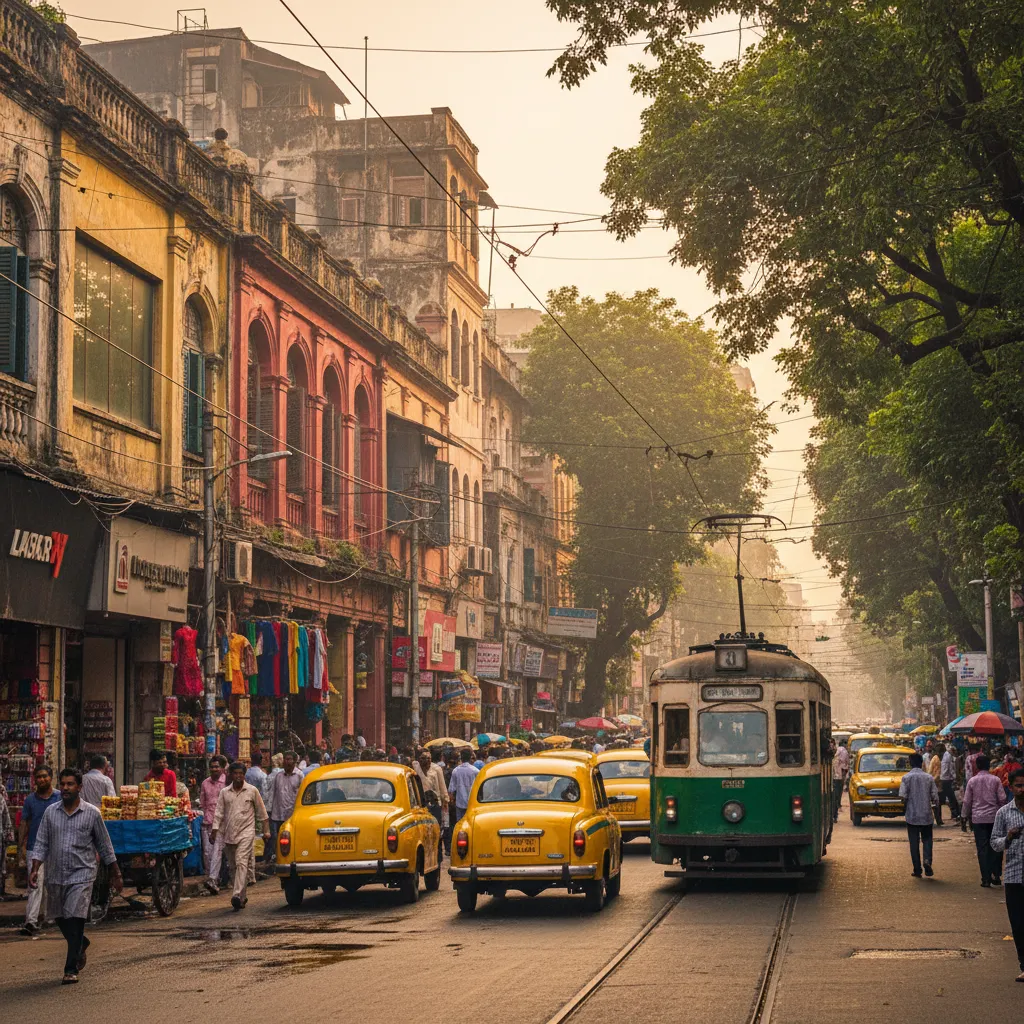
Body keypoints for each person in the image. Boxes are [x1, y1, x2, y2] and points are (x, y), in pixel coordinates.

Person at [29, 767, 122, 985]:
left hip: (82, 873)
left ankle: (70, 969)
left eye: (70, 784)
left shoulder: (92, 813)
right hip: (55, 873)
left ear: (79, 787)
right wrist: (34, 868)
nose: (65, 788)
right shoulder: (50, 813)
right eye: (62, 784)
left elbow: (104, 845)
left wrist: (115, 872)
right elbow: (41, 842)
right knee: (59, 916)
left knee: (75, 916)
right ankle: (81, 942)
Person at [210, 762, 269, 911]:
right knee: (233, 866)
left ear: (244, 775)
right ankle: (242, 897)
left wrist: (266, 831)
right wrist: (214, 830)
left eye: (241, 774)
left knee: (241, 861)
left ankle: (236, 894)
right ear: (231, 775)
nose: (238, 776)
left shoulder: (252, 790)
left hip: (246, 832)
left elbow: (262, 812)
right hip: (229, 833)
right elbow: (219, 813)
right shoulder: (224, 792)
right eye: (235, 773)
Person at [990, 767, 1024, 982]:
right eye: (1018, 785)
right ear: (1010, 787)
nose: (1022, 789)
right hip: (1014, 876)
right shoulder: (1003, 813)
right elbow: (994, 843)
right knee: (1019, 924)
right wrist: (1008, 838)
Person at [19, 765, 62, 936]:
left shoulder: (60, 797)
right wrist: (20, 846)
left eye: (44, 776)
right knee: (35, 885)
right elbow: (24, 823)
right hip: (35, 847)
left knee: (53, 884)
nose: (42, 779)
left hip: (56, 847)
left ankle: (49, 917)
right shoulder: (30, 800)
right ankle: (31, 921)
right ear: (34, 780)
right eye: (38, 777)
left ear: (51, 777)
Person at [962, 754, 1009, 887]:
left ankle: (986, 878)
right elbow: (1002, 799)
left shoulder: (972, 781)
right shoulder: (995, 780)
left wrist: (964, 817)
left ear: (977, 766)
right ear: (989, 766)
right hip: (994, 818)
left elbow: (967, 802)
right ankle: (996, 875)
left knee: (982, 848)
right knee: (996, 846)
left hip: (978, 819)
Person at [899, 752, 939, 878]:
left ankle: (917, 869)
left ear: (910, 763)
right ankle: (927, 861)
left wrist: (904, 808)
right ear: (921, 763)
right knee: (927, 840)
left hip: (912, 815)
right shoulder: (929, 778)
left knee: (914, 843)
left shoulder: (906, 778)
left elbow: (903, 797)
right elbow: (935, 797)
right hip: (926, 815)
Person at [266, 751, 303, 864]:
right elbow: (273, 793)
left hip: (293, 814)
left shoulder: (300, 775)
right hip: (278, 814)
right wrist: (269, 810)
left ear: (295, 761)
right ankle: (279, 860)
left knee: (294, 838)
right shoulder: (278, 776)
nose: (287, 762)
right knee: (278, 839)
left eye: (289, 759)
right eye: (285, 759)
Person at [199, 756, 228, 894]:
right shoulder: (205, 783)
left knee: (217, 851)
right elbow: (203, 803)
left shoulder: (227, 782)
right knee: (207, 853)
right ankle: (211, 879)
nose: (214, 769)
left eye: (217, 767)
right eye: (212, 767)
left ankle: (213, 879)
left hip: (222, 823)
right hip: (208, 821)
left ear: (222, 768)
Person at [415, 750, 449, 844]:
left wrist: (445, 801)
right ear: (419, 759)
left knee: (436, 830)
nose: (426, 761)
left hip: (435, 803)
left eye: (429, 758)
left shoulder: (437, 769)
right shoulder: (415, 768)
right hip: (420, 804)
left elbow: (442, 786)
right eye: (423, 758)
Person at [448, 748, 480, 826]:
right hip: (473, 804)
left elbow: (451, 790)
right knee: (472, 825)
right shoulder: (476, 771)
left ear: (461, 757)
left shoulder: (456, 771)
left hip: (460, 804)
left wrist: (451, 802)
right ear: (470, 757)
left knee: (460, 825)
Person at [939, 742, 960, 821]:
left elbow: (949, 769)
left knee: (949, 798)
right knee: (950, 798)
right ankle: (955, 814)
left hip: (945, 779)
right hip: (946, 779)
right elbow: (951, 769)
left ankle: (955, 814)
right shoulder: (948, 756)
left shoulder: (946, 755)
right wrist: (955, 778)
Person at [832, 740, 850, 823]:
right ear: (844, 744)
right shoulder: (844, 751)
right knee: (838, 794)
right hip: (839, 776)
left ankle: (835, 813)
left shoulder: (835, 751)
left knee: (834, 795)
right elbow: (847, 763)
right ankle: (837, 809)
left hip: (833, 777)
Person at [927, 744, 943, 824]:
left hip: (934, 782)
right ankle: (938, 820)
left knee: (936, 803)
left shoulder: (935, 758)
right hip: (935, 784)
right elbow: (937, 773)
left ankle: (938, 819)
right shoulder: (937, 759)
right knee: (937, 803)